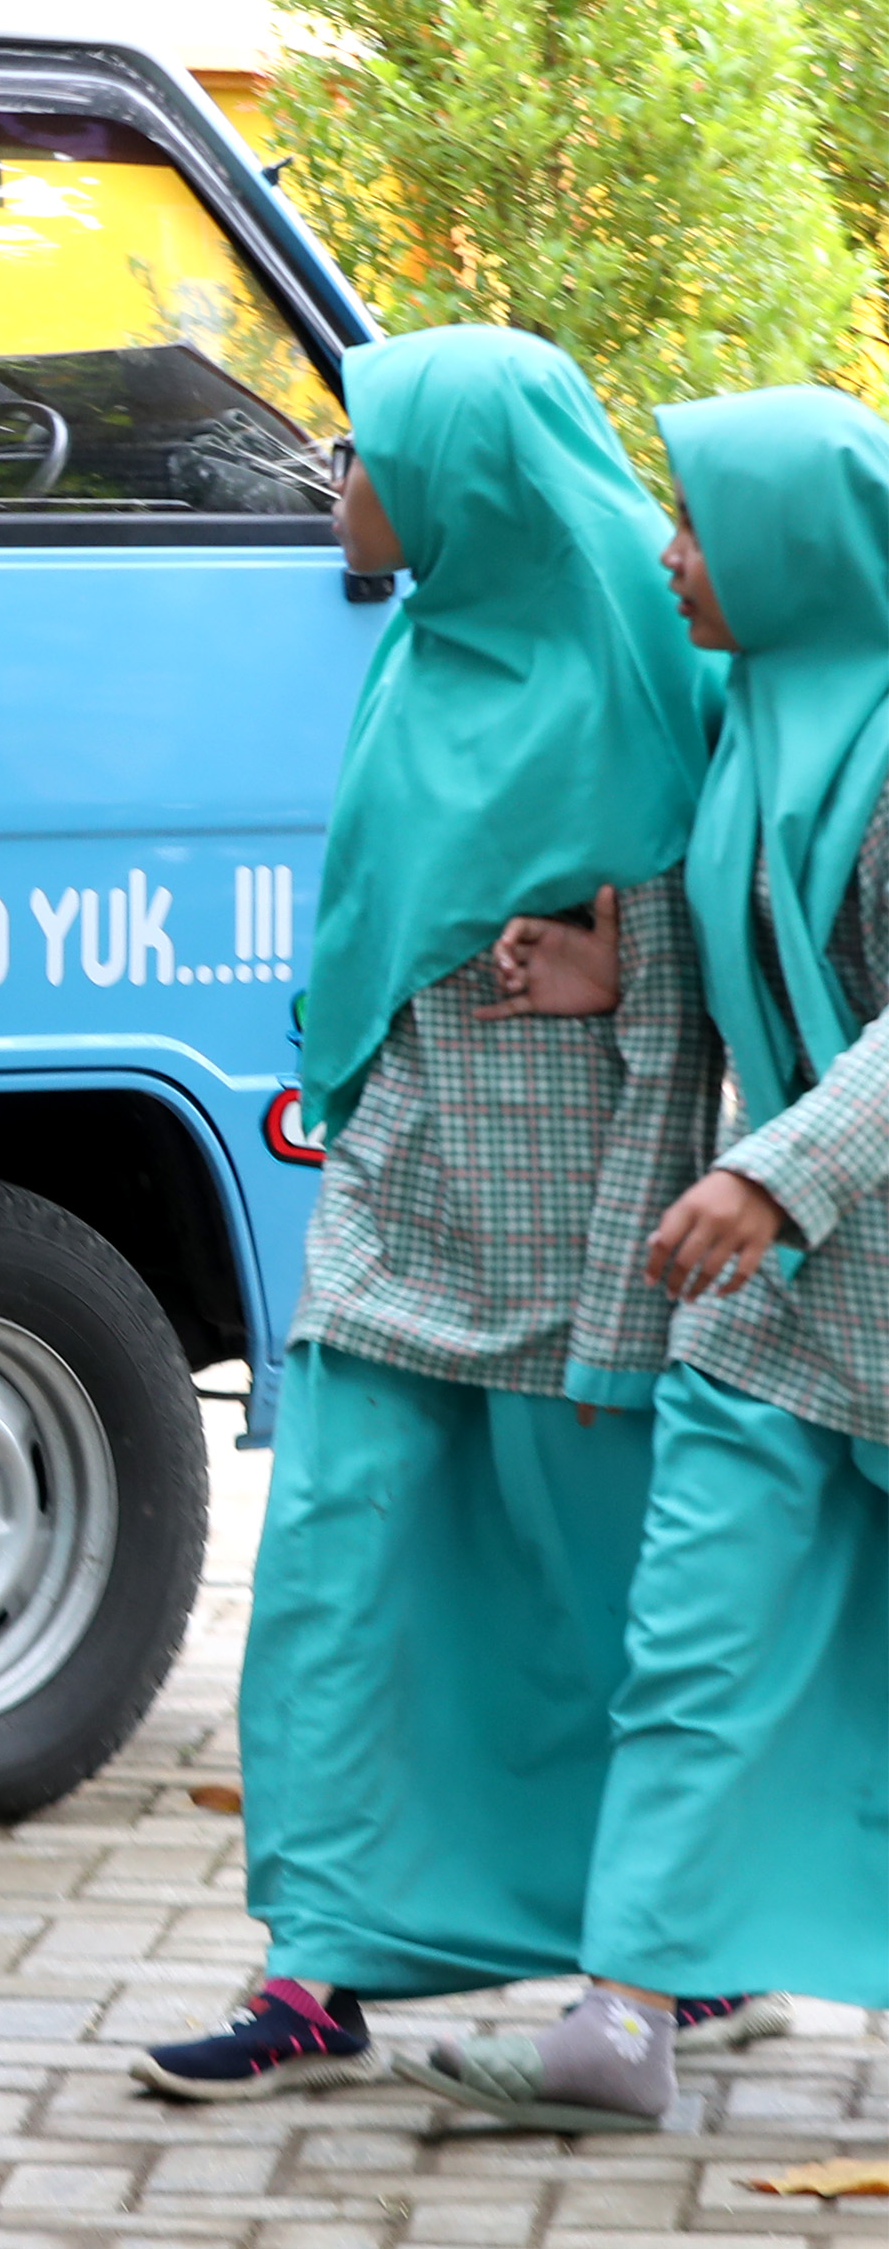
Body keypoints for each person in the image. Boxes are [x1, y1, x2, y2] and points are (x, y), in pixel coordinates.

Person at [121, 328, 732, 2106]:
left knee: (590, 1596)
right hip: (401, 1191)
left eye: (365, 450)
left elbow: (769, 918)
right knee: (334, 1563)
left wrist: (637, 957)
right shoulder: (422, 650)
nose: (341, 483)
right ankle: (314, 1972)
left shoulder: (651, 673)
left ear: (464, 478)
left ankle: (663, 1954)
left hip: (584, 1222)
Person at [404, 384, 889, 2133]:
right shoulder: (757, 717)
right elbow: (732, 932)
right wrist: (618, 983)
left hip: (831, 1239)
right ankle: (622, 2014)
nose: (673, 556)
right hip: (786, 1305)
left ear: (799, 553)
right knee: (690, 1640)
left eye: (705, 531)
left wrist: (771, 1173)